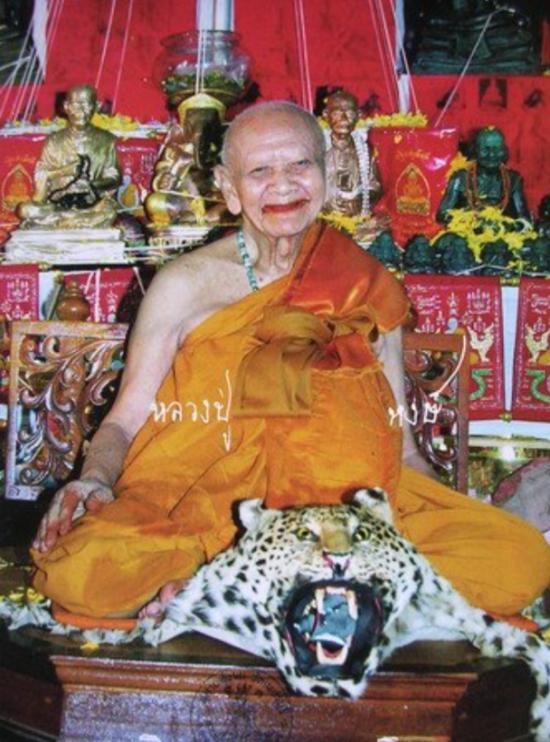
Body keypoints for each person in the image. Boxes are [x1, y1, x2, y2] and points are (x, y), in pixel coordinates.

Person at [32, 102, 550, 621]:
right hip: (202, 510)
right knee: (84, 571)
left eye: (300, 164)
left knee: (518, 561)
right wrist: (95, 478)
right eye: (260, 170)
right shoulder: (184, 286)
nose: (283, 184)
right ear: (228, 188)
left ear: (326, 175)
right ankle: (301, 591)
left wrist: (447, 508)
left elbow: (403, 448)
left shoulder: (365, 285)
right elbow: (124, 420)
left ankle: (239, 592)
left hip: (351, 518)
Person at [17, 84, 121, 230]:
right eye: (75, 105)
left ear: (96, 106)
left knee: (109, 211)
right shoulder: (54, 141)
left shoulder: (106, 140)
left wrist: (93, 184)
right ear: (66, 107)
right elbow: (42, 176)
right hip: (58, 203)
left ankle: (65, 222)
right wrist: (64, 171)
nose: (80, 111)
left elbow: (114, 176)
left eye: (86, 104)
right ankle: (75, 222)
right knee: (25, 210)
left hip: (93, 204)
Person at [144, 92, 227, 228]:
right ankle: (190, 218)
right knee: (155, 202)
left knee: (234, 205)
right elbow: (163, 172)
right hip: (182, 200)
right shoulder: (176, 147)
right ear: (186, 126)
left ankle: (197, 219)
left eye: (206, 125)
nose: (199, 132)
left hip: (214, 200)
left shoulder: (224, 146)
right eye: (194, 125)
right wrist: (168, 176)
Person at [437, 127, 530, 224]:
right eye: (485, 150)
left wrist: (505, 225)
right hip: (466, 229)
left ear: (504, 151)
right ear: (475, 150)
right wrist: (468, 221)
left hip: (504, 230)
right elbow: (442, 214)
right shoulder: (460, 178)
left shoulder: (513, 179)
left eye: (497, 150)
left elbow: (524, 218)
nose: (491, 155)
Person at [322, 90, 381, 217]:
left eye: (349, 113)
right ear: (326, 115)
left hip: (356, 216)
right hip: (323, 217)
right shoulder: (317, 149)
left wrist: (359, 199)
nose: (344, 119)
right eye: (337, 113)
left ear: (358, 116)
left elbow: (375, 186)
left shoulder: (364, 150)